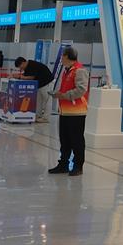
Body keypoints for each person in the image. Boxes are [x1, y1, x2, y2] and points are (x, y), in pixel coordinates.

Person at [48, 47, 89, 177]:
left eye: (62, 56)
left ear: (67, 56)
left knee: (76, 140)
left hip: (76, 112)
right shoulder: (67, 70)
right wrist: (58, 94)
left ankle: (78, 166)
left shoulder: (79, 70)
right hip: (65, 111)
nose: (61, 58)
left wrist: (64, 95)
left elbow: (81, 90)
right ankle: (63, 164)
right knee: (64, 140)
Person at [14, 55, 55, 123]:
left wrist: (20, 77)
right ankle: (37, 115)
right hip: (39, 84)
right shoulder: (27, 67)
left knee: (47, 100)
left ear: (23, 63)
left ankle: (46, 118)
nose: (20, 69)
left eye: (20, 67)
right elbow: (26, 75)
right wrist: (18, 76)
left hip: (47, 82)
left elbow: (31, 77)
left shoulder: (32, 65)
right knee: (38, 101)